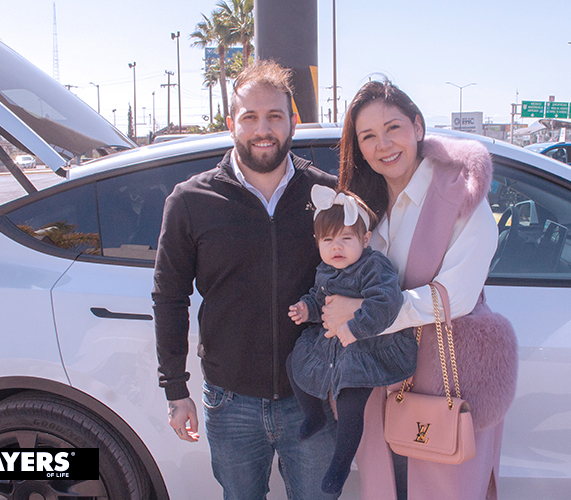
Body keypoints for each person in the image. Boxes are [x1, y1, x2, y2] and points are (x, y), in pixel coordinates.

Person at [152, 60, 340, 500]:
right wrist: (175, 389)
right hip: (229, 401)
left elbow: (354, 279)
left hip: (312, 398)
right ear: (230, 123)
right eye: (250, 117)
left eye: (275, 116)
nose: (263, 129)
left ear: (293, 121)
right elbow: (169, 296)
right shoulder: (191, 201)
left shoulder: (327, 194)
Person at [322, 78, 508, 500]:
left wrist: (366, 315)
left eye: (393, 128)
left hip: (443, 386)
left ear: (418, 127)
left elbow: (457, 295)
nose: (383, 144)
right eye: (368, 136)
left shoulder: (459, 193)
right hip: (379, 386)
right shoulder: (361, 208)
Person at [286, 184, 418, 494]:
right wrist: (307, 309)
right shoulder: (325, 269)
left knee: (350, 401)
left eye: (346, 238)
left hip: (367, 347)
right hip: (333, 344)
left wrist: (355, 328)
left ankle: (341, 463)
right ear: (318, 242)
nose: (337, 247)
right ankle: (314, 414)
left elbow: (386, 302)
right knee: (294, 361)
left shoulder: (373, 266)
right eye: (328, 240)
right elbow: (321, 300)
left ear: (365, 239)